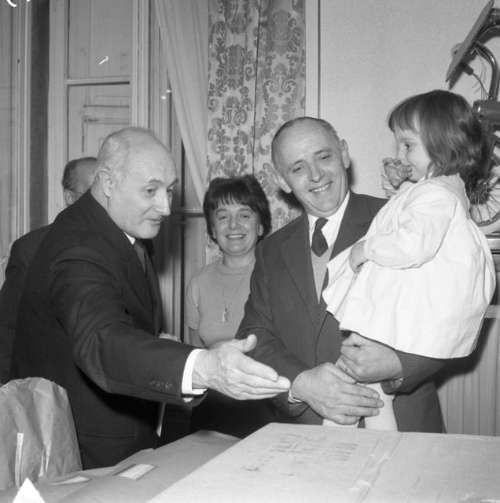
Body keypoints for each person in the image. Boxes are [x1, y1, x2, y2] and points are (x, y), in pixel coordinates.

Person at [9, 127, 290, 469]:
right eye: (150, 191)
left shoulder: (117, 230)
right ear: (108, 182)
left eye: (169, 190)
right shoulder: (80, 245)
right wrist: (204, 367)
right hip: (88, 446)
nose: (166, 207)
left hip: (124, 429)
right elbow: (102, 340)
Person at [236, 116, 447, 432]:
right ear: (282, 180)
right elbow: (254, 336)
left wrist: (398, 364)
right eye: (298, 168)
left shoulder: (405, 220)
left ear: (344, 154)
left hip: (403, 429)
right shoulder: (271, 250)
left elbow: (451, 314)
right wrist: (301, 382)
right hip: (307, 435)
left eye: (323, 157)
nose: (316, 175)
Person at [323, 90, 496, 430]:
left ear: (443, 144)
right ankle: (369, 444)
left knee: (358, 385)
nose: (399, 155)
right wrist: (401, 191)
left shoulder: (435, 195)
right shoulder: (439, 191)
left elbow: (411, 244)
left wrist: (366, 249)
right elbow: (412, 218)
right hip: (407, 309)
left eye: (407, 145)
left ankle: (354, 444)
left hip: (400, 313)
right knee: (367, 390)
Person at [186, 175, 275, 437]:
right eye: (223, 216)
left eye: (244, 215)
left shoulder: (277, 277)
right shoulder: (198, 282)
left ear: (261, 226)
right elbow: (196, 351)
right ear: (213, 230)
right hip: (212, 408)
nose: (233, 225)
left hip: (267, 405)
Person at [0, 156, 98, 383]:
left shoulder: (127, 247)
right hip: (48, 388)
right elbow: (7, 328)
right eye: (92, 193)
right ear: (69, 197)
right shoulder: (30, 249)